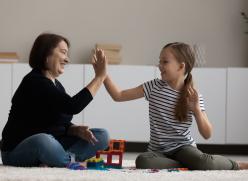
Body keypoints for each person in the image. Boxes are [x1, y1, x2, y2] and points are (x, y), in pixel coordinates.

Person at [102, 42, 248, 170]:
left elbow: (207, 134)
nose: (159, 65)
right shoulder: (153, 87)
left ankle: (236, 165)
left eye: (165, 62)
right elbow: (119, 95)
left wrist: (196, 110)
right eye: (160, 61)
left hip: (183, 148)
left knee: (204, 163)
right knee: (143, 161)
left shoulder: (193, 95)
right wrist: (103, 75)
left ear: (181, 66)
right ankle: (188, 165)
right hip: (157, 151)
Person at [1, 33, 109, 167]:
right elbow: (73, 106)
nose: (67, 59)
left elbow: (57, 119)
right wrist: (99, 77)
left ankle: (59, 159)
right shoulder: (34, 81)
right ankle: (67, 160)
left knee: (102, 135)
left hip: (52, 143)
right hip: (16, 151)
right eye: (63, 52)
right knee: (43, 140)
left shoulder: (56, 85)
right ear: (46, 54)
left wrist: (74, 129)